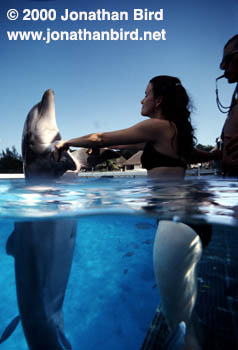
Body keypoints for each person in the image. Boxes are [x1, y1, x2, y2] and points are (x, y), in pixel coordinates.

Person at [55, 75, 196, 179]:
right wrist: (214, 154)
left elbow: (100, 138)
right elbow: (124, 144)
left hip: (166, 205)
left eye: (146, 95)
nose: (142, 101)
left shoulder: (156, 126)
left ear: (158, 101)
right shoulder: (175, 130)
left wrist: (66, 142)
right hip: (173, 201)